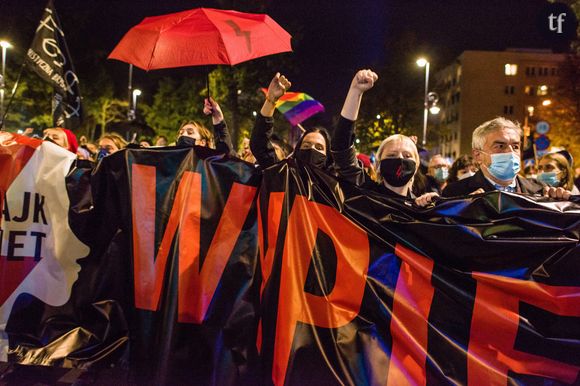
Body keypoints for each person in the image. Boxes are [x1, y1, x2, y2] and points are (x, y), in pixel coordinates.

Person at [331, 69, 437, 207]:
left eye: (407, 155)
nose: (400, 159)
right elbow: (341, 148)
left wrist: (433, 210)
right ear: (379, 165)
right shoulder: (365, 192)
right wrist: (355, 92)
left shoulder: (422, 208)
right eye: (392, 155)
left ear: (416, 166)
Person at [442, 117, 570, 199]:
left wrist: (562, 203)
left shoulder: (541, 190)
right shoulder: (455, 193)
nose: (510, 152)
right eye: (500, 146)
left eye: (515, 146)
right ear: (478, 155)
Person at [250, 73, 333, 171]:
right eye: (306, 146)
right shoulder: (284, 174)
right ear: (297, 151)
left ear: (327, 155)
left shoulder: (333, 184)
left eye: (319, 148)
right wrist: (271, 101)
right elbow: (260, 145)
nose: (312, 150)